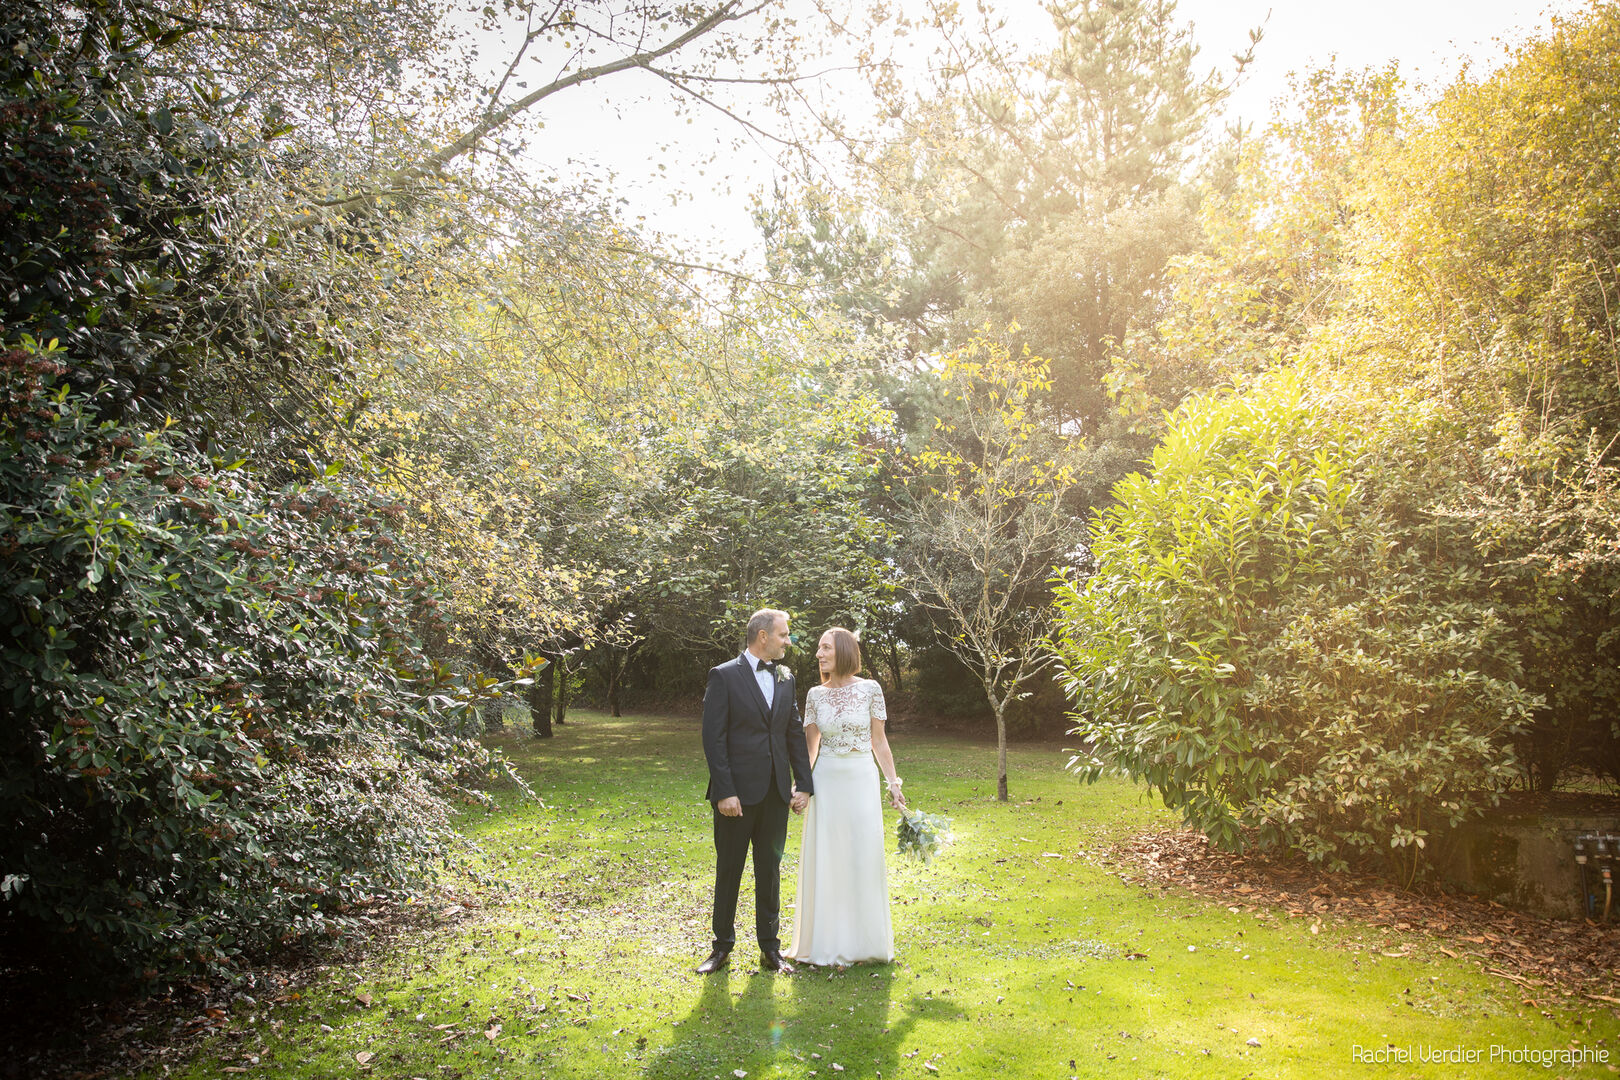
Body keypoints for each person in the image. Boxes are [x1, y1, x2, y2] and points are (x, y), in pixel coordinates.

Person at [697, 608, 814, 975]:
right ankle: (721, 948)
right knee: (729, 870)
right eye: (783, 635)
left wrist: (804, 784)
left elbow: (793, 732)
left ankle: (771, 950)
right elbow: (713, 739)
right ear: (763, 636)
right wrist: (725, 791)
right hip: (736, 798)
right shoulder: (724, 676)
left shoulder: (786, 678)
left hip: (776, 793)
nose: (788, 641)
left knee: (770, 871)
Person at [787, 627, 904, 967]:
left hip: (861, 780)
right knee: (829, 858)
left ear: (842, 650)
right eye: (819, 649)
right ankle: (827, 943)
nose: (819, 654)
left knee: (861, 856)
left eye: (825, 648)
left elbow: (878, 741)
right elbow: (811, 748)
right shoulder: (814, 695)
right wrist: (803, 787)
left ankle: (866, 944)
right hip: (828, 782)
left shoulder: (870, 689)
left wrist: (892, 783)